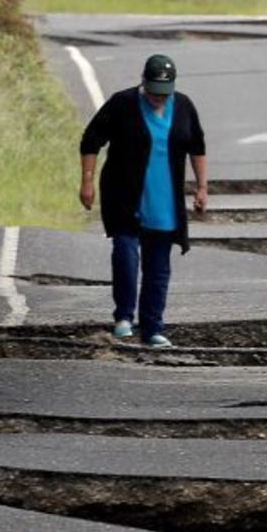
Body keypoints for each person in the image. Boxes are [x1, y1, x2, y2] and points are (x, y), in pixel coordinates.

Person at [79, 53, 207, 348]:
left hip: (164, 197)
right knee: (126, 251)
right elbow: (91, 139)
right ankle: (124, 317)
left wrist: (202, 187)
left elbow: (197, 147)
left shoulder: (184, 106)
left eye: (164, 94)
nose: (158, 99)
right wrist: (86, 181)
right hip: (124, 194)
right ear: (143, 83)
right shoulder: (122, 103)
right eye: (153, 93)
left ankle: (152, 328)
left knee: (158, 265)